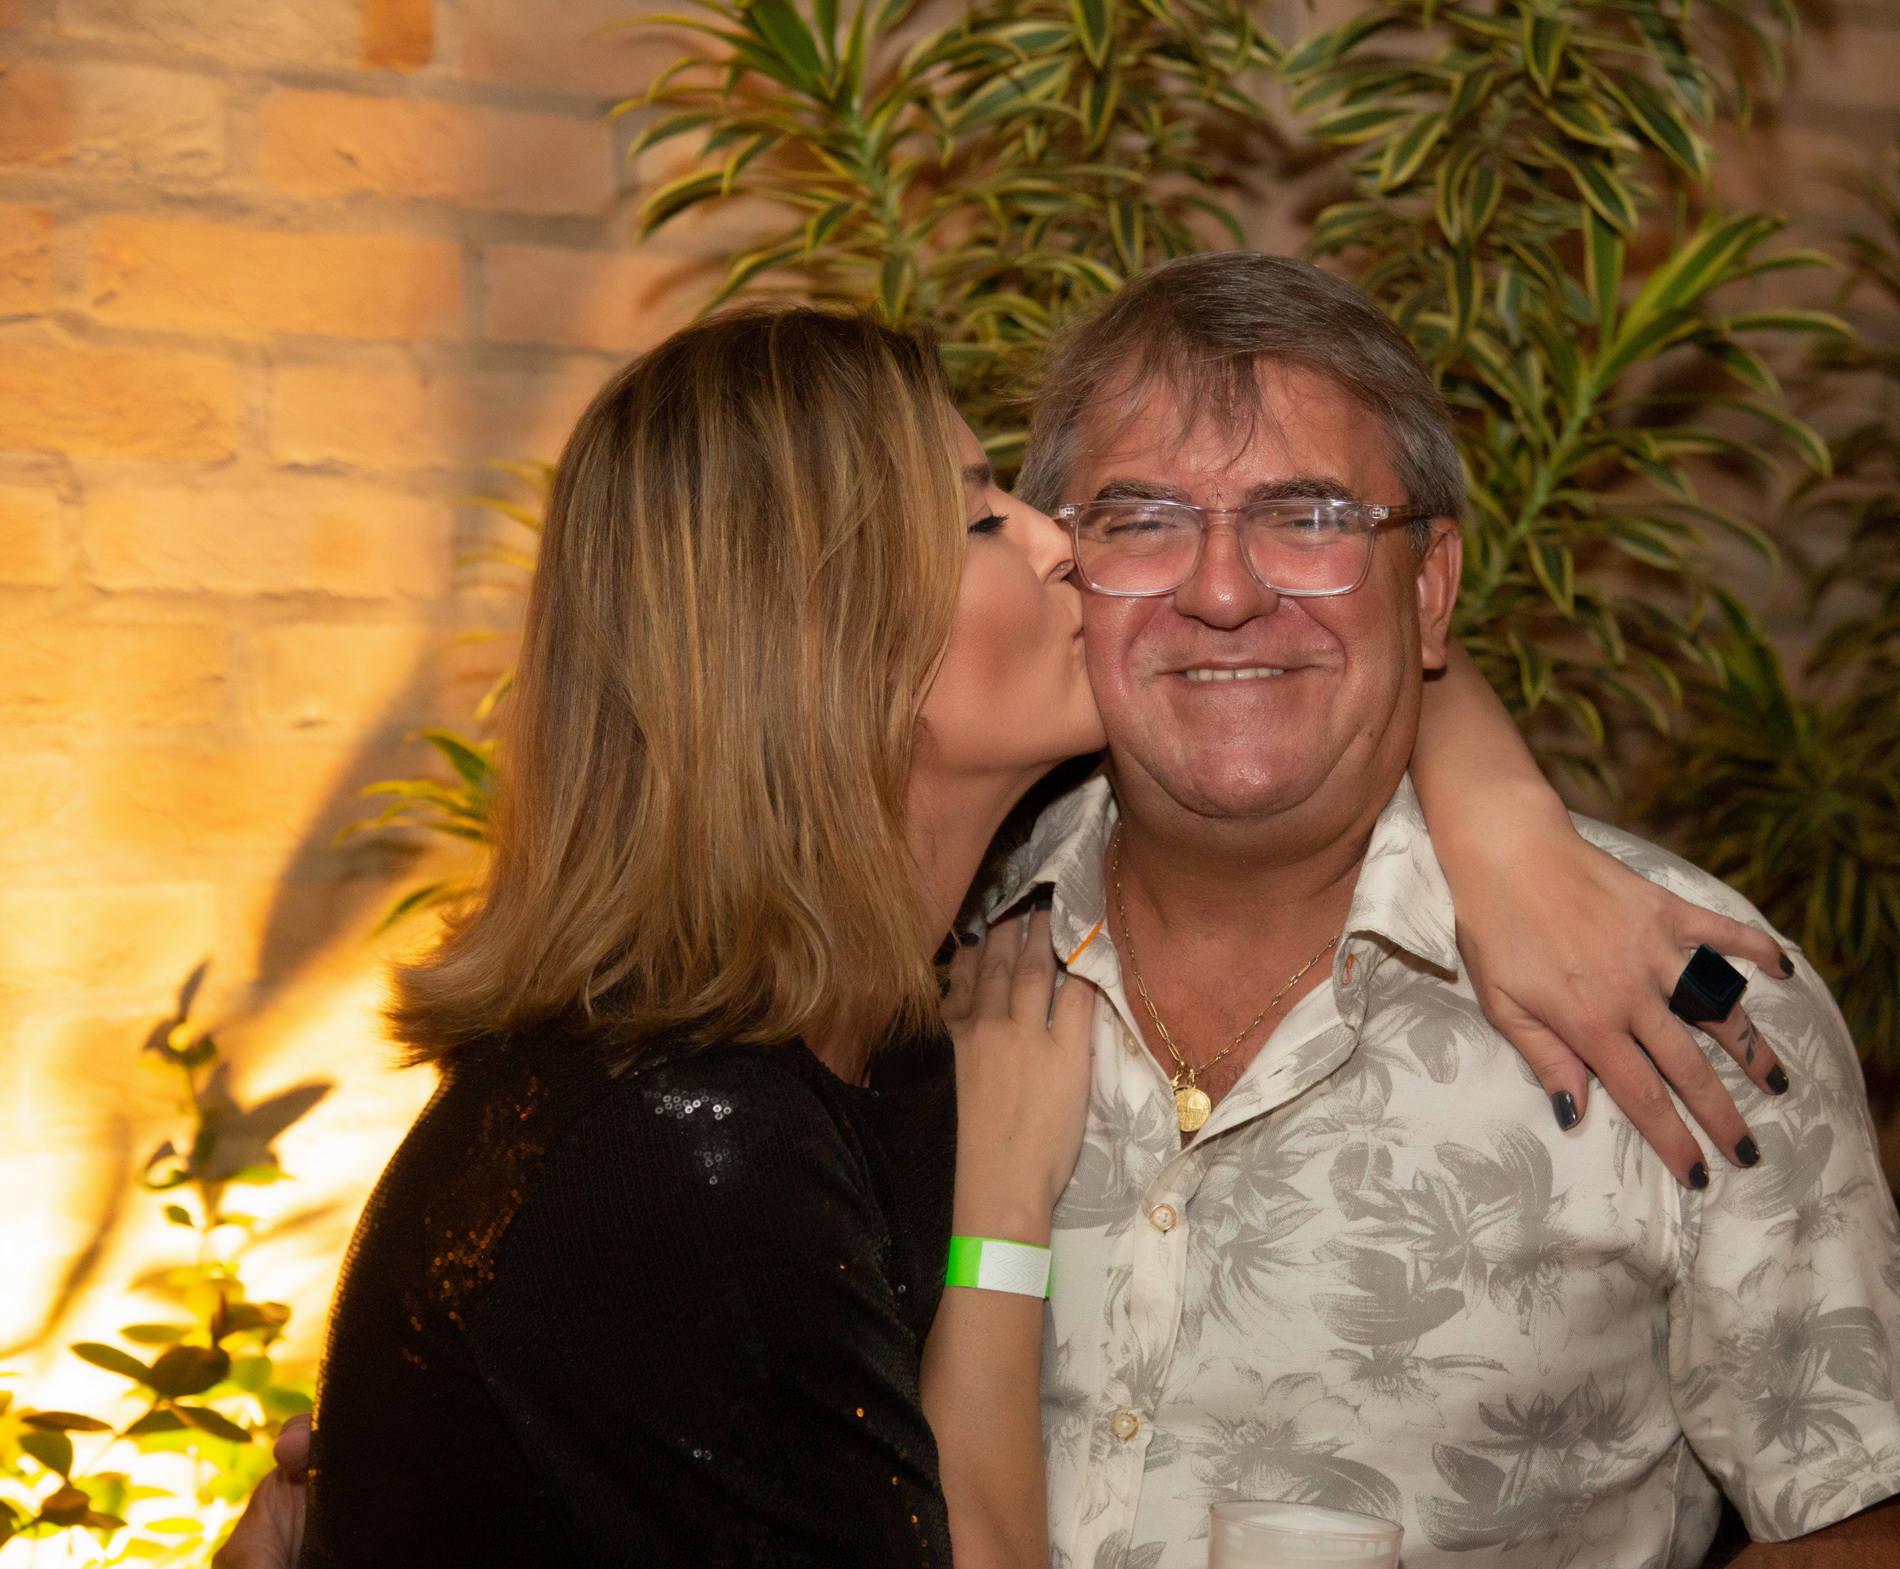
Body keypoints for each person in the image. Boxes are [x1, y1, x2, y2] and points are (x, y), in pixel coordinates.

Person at [222, 303, 1802, 1569]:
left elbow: (1313, 632)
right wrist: (999, 1214)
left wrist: (1509, 835)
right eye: (982, 517)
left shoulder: (872, 1028)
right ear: (825, 639)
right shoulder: (689, 1145)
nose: (1061, 543)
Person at [955, 251, 1900, 1567]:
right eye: (1145, 519)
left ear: (1430, 584)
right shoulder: (928, 947)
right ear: (1064, 575)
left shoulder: (1678, 990)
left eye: (1310, 517)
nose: (1223, 592)